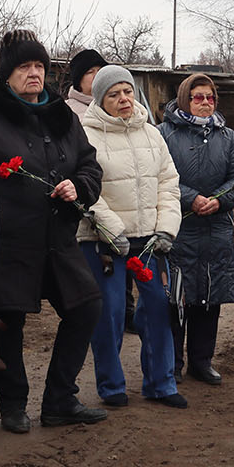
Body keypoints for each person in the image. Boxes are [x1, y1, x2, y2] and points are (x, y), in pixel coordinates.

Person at [0, 30, 106, 431]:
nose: (33, 74)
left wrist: (78, 186)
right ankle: (12, 405)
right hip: (12, 241)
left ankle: (59, 400)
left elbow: (89, 164)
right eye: (24, 67)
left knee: (86, 306)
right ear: (6, 74)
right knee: (10, 322)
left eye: (39, 66)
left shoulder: (62, 115)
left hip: (59, 237)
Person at [78, 66, 186, 407]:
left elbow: (169, 183)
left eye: (127, 91)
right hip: (104, 242)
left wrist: (167, 227)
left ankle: (161, 383)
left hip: (150, 240)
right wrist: (113, 230)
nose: (123, 99)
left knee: (158, 308)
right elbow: (87, 190)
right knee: (109, 313)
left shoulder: (151, 134)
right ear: (100, 99)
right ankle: (111, 387)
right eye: (114, 94)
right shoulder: (85, 135)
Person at [159, 74, 234, 384]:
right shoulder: (164, 134)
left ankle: (201, 360)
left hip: (216, 226)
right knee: (178, 298)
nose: (206, 103)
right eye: (198, 97)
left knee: (211, 296)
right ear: (185, 99)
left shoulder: (225, 135)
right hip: (180, 225)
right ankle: (173, 363)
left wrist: (219, 201)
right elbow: (161, 176)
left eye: (210, 97)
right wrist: (190, 198)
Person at [65, 48, 108, 118]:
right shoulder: (65, 110)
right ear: (78, 81)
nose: (97, 75)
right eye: (90, 72)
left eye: (100, 71)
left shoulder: (117, 106)